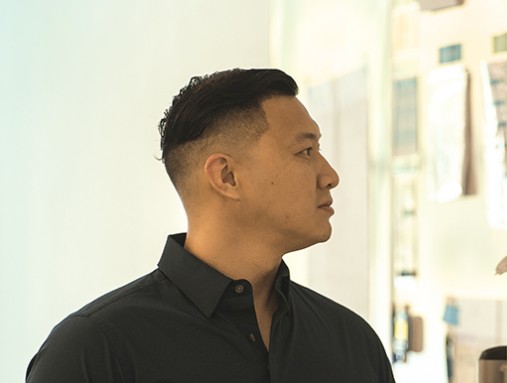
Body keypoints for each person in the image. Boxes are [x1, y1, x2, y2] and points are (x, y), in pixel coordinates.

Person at [26, 68, 395, 383]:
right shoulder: (94, 351)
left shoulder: (353, 341)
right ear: (227, 176)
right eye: (306, 151)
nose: (330, 175)